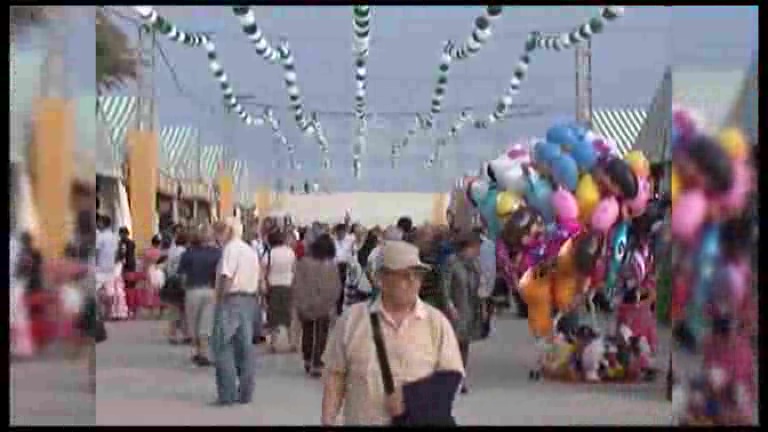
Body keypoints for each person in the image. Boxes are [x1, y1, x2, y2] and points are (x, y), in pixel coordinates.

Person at [321, 241, 464, 426]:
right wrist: (328, 419)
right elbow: (335, 375)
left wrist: (410, 397)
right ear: (382, 279)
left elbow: (452, 378)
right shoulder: (352, 321)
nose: (413, 281)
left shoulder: (435, 322)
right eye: (405, 275)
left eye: (418, 275)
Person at [210, 218, 261, 406]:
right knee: (245, 348)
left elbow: (227, 276)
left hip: (232, 300)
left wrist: (219, 300)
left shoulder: (231, 249)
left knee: (223, 346)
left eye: (219, 231)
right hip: (250, 299)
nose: (217, 236)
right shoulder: (250, 250)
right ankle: (246, 392)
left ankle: (227, 393)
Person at [440, 231, 485, 394]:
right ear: (468, 247)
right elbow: (445, 286)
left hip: (471, 308)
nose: (479, 251)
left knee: (465, 345)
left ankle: (460, 378)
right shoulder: (451, 262)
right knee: (453, 345)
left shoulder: (474, 263)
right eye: (477, 247)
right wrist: (449, 305)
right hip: (456, 308)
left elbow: (480, 284)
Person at [293, 233, 342, 377]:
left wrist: (301, 301)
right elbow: (335, 286)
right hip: (324, 305)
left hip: (306, 303)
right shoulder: (331, 265)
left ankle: (307, 358)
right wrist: (330, 302)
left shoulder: (303, 263)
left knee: (307, 331)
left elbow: (297, 283)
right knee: (321, 334)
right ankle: (317, 361)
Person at [179, 227, 222, 366]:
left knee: (194, 322)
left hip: (193, 290)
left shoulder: (188, 253)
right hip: (210, 290)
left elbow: (183, 276)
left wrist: (184, 288)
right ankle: (203, 352)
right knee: (206, 323)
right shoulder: (217, 253)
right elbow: (220, 274)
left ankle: (199, 352)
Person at [264, 230, 297, 353]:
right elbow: (294, 269)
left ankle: (273, 343)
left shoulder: (270, 253)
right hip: (288, 285)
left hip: (274, 286)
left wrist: (264, 284)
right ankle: (292, 342)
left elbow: (265, 269)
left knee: (274, 316)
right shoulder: (290, 252)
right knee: (289, 315)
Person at [95, 215, 128, 320]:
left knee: (96, 290)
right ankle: (109, 312)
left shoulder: (100, 236)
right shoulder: (115, 237)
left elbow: (96, 251)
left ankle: (100, 312)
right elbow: (118, 252)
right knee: (110, 292)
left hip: (100, 267)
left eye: (99, 222)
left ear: (103, 223)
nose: (98, 224)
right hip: (111, 267)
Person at [164, 229, 189, 344]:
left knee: (173, 310)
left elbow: (168, 267)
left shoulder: (171, 251)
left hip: (171, 281)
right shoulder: (184, 252)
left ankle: (172, 334)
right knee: (184, 310)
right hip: (180, 281)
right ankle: (185, 334)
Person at [366, 226, 403, 299]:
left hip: (378, 289)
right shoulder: (399, 254)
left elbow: (368, 270)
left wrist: (373, 283)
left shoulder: (375, 250)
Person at [333, 223, 355, 314]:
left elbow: (353, 252)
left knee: (341, 287)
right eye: (339, 233)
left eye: (343, 233)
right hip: (335, 266)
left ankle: (339, 306)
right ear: (336, 232)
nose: (341, 234)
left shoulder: (349, 240)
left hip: (345, 266)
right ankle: (336, 303)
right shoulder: (333, 241)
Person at [117, 227, 139, 319]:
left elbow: (123, 255)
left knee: (128, 288)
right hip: (130, 267)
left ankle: (130, 309)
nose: (121, 236)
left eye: (122, 234)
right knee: (129, 288)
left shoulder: (125, 243)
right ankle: (131, 309)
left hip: (128, 267)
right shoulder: (129, 243)